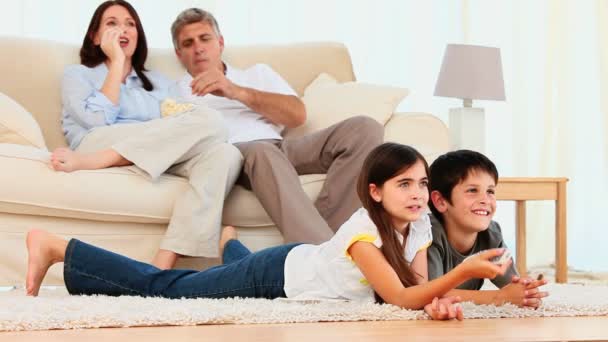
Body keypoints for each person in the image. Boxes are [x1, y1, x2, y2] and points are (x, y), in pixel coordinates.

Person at [26, 143, 512, 321]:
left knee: (230, 269)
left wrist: (497, 298)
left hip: (305, 260)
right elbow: (401, 300)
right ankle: (59, 246)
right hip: (279, 273)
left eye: (422, 183)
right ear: (375, 191)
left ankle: (229, 245)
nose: (415, 193)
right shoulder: (364, 233)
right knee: (171, 290)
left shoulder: (420, 223)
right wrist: (466, 274)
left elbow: (417, 290)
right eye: (403, 183)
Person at [50, 0, 242, 269]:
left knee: (226, 152)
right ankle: (104, 159)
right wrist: (116, 61)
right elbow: (97, 121)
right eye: (112, 24)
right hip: (97, 144)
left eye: (130, 24)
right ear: (96, 36)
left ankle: (162, 265)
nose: (123, 30)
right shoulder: (77, 75)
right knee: (210, 121)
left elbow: (182, 127)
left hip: (154, 151)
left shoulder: (160, 82)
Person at [168, 8, 384, 244]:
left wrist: (235, 91)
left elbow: (297, 115)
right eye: (188, 43)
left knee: (365, 129)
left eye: (205, 38)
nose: (198, 48)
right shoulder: (174, 92)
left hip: (282, 148)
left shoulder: (257, 74)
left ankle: (325, 245)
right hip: (237, 154)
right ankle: (322, 254)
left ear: (220, 43)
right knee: (263, 151)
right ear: (179, 54)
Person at [427, 150, 549, 308]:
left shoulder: (492, 234)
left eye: (490, 191)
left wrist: (526, 292)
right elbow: (429, 294)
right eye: (472, 190)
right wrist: (498, 297)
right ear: (441, 201)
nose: (485, 200)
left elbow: (510, 285)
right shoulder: (428, 233)